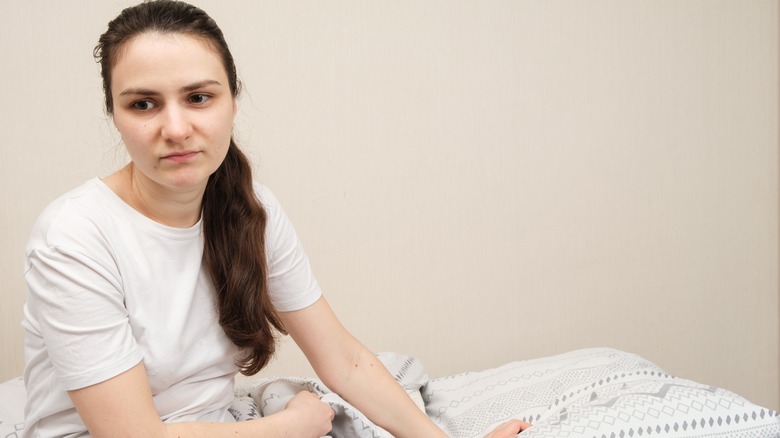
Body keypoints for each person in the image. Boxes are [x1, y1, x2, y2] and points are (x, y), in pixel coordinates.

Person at [21, 1, 531, 437]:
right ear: (115, 113)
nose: (175, 128)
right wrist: (292, 425)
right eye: (143, 104)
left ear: (233, 101)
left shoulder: (250, 207)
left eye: (199, 97)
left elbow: (343, 361)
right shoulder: (74, 235)